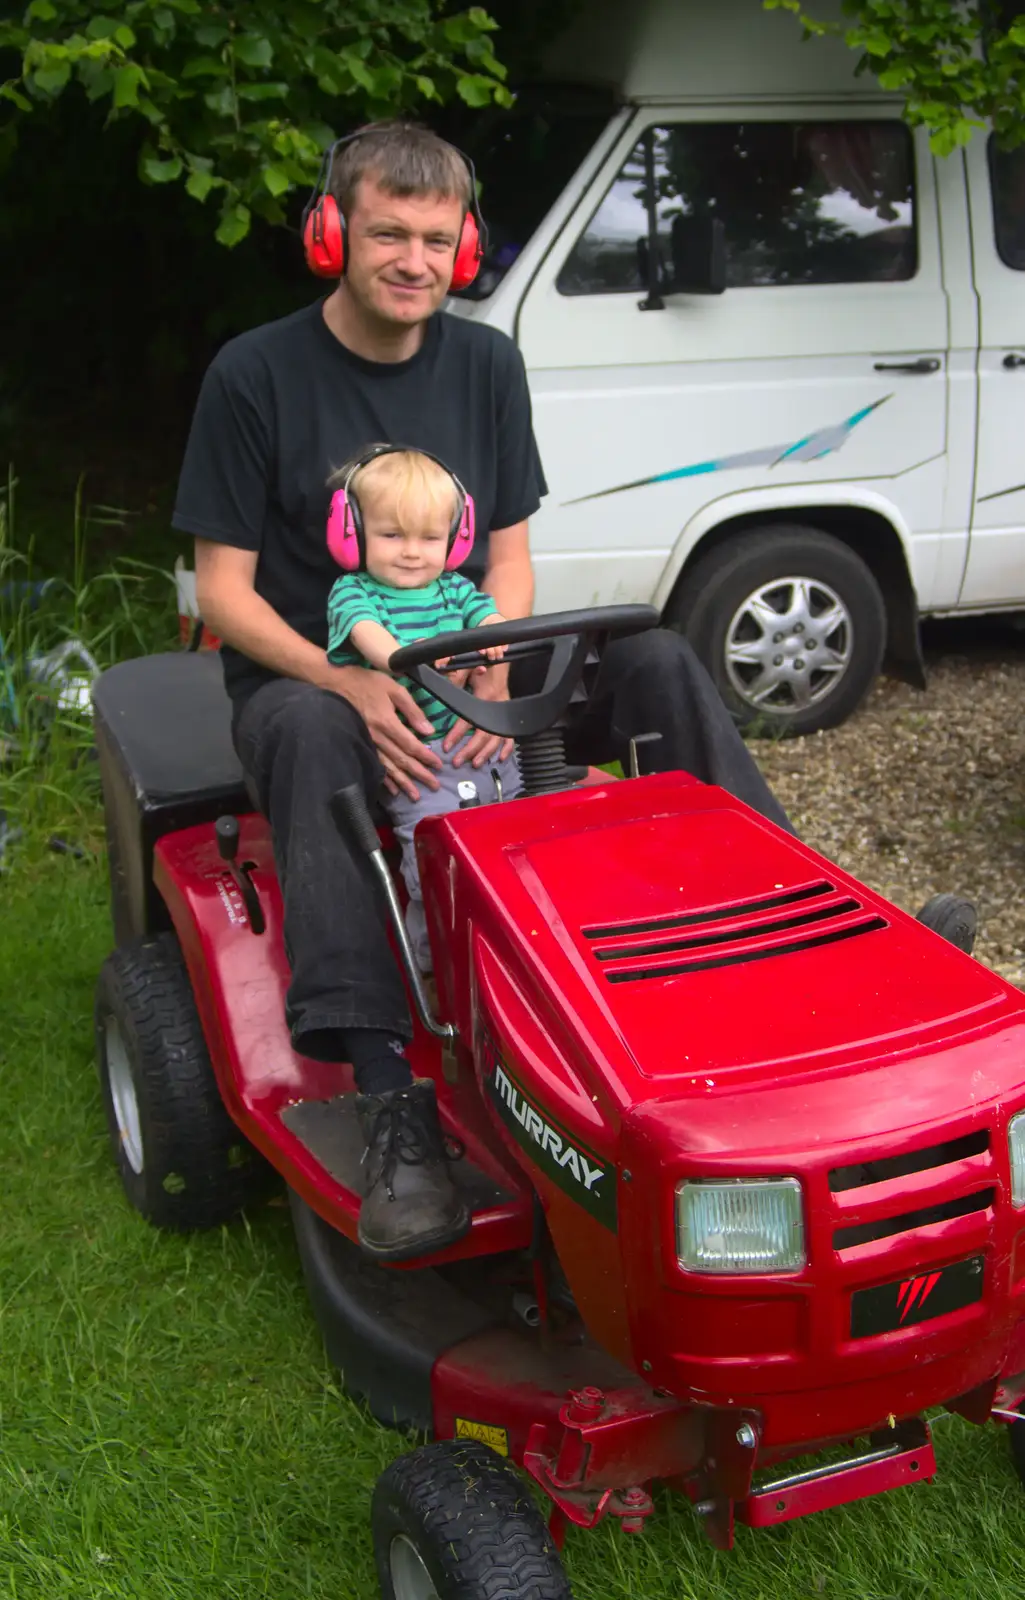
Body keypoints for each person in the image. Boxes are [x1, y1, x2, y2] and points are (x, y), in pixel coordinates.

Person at [172, 119, 792, 1264]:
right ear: (331, 234)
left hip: (464, 658)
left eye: (434, 239)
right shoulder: (254, 374)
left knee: (654, 655)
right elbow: (222, 590)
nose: (411, 259)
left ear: (465, 252)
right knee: (307, 736)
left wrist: (492, 657)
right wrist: (345, 676)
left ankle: (790, 943)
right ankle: (390, 1101)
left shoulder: (487, 363)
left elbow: (504, 556)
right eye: (385, 233)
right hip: (317, 680)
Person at [324, 443, 521, 972]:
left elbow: (490, 619)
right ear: (352, 536)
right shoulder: (354, 593)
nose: (412, 551)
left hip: (485, 749)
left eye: (429, 537)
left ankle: (521, 944)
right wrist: (414, 655)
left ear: (454, 542)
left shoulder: (455, 588)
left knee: (521, 846)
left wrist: (489, 636)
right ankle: (437, 961)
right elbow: (381, 649)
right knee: (434, 858)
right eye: (392, 535)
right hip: (420, 762)